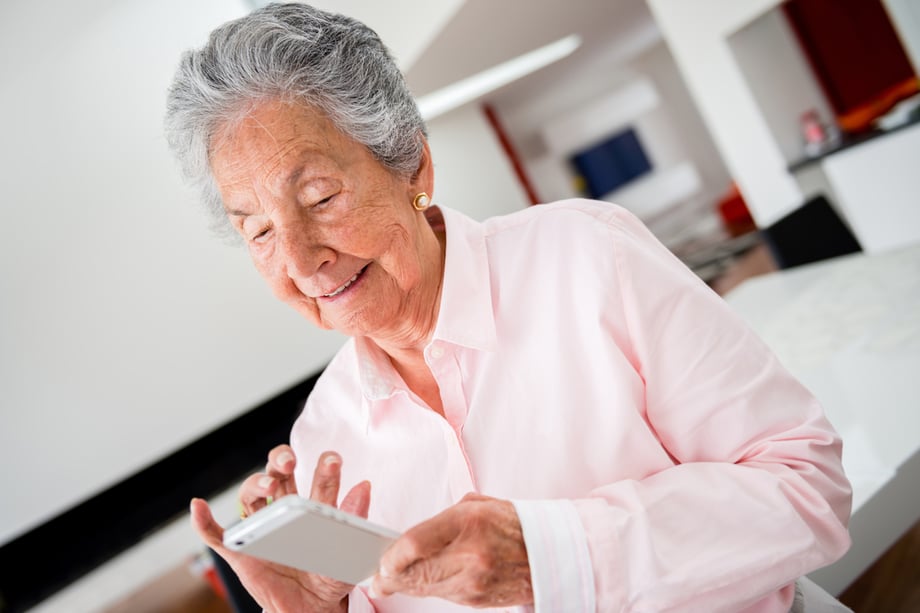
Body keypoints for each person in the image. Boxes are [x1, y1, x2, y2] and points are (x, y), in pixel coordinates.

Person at [163, 3, 852, 612]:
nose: (302, 260)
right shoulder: (323, 439)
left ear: (414, 169)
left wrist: (553, 555)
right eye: (257, 229)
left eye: (320, 199)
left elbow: (807, 488)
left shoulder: (589, 256)